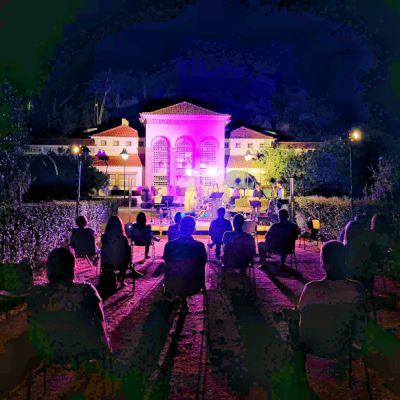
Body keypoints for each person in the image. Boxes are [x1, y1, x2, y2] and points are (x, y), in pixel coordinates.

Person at [27, 247, 111, 364]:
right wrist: (106, 351)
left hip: (50, 352)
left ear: (48, 268)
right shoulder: (87, 291)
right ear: (72, 267)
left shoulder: (37, 293)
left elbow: (33, 327)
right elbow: (100, 327)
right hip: (82, 353)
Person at [296, 241, 368, 370]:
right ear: (346, 261)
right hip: (345, 345)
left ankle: (299, 373)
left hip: (313, 345)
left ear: (322, 263)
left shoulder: (311, 288)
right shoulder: (357, 288)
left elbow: (300, 312)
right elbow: (362, 318)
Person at [163, 216, 207, 309]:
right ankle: (183, 298)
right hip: (194, 284)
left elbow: (167, 262)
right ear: (194, 230)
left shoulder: (169, 246)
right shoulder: (200, 246)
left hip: (174, 283)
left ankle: (180, 298)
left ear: (179, 228)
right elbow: (202, 265)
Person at [101, 215, 135, 290]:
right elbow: (126, 253)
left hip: (106, 263)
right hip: (120, 264)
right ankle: (122, 280)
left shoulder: (104, 237)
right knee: (127, 253)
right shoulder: (123, 238)